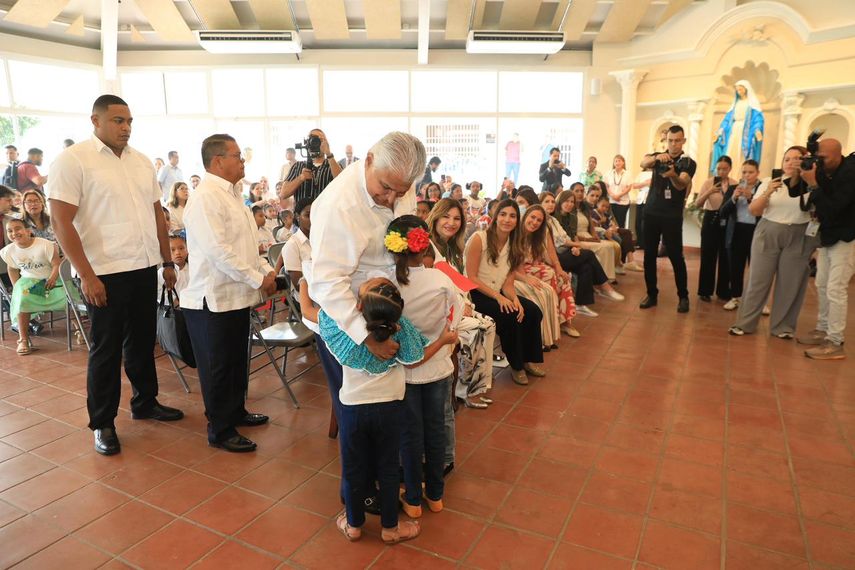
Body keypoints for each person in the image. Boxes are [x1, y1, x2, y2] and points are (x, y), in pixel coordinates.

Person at [47, 94, 184, 456]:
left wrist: (166, 262)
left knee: (141, 341)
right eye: (118, 121)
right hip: (103, 273)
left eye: (129, 121)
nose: (125, 128)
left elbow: (157, 214)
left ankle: (145, 402)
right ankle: (103, 423)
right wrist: (86, 275)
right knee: (106, 350)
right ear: (96, 120)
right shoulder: (74, 160)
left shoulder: (140, 162)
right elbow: (60, 223)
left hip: (142, 267)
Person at [310, 131, 427, 544]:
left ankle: (381, 496)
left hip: (387, 306)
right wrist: (364, 336)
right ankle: (354, 506)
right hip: (349, 319)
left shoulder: (397, 186)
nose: (392, 199)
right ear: (369, 159)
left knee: (386, 422)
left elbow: (399, 239)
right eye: (384, 188)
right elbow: (325, 283)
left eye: (402, 191)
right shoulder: (338, 205)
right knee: (354, 427)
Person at [181, 134, 276, 452]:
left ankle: (236, 411)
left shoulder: (234, 194)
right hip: (213, 298)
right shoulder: (207, 196)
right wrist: (256, 278)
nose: (243, 160)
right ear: (218, 160)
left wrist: (264, 271)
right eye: (238, 155)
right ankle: (220, 428)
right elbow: (218, 251)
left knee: (236, 359)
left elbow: (246, 245)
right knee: (218, 365)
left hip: (236, 293)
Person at [383, 216, 462, 519]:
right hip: (439, 366)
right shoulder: (441, 280)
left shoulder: (387, 283)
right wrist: (443, 340)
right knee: (436, 429)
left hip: (403, 370)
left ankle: (413, 500)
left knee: (409, 434)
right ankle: (436, 495)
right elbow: (453, 324)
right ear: (425, 244)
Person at [728, 146, 818, 338]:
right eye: (787, 159)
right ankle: (745, 323)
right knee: (758, 280)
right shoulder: (770, 181)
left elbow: (818, 210)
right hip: (768, 231)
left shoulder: (812, 184)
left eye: (796, 159)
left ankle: (782, 327)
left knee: (790, 282)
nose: (790, 162)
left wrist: (811, 180)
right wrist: (767, 192)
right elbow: (754, 211)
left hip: (799, 233)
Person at [425, 198, 497, 410]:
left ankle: (477, 387)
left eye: (457, 218)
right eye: (446, 217)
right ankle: (464, 390)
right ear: (436, 217)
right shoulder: (429, 247)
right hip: (439, 311)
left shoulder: (452, 248)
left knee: (489, 324)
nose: (451, 222)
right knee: (476, 330)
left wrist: (466, 303)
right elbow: (435, 285)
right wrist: (459, 305)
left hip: (458, 305)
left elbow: (461, 282)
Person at [464, 199, 545, 386]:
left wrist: (514, 298)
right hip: (475, 293)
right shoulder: (479, 238)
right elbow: (471, 278)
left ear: (517, 220)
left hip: (497, 291)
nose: (507, 219)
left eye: (512, 216)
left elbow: (508, 281)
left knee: (532, 311)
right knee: (509, 314)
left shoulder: (514, 244)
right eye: (503, 214)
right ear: (495, 216)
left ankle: (527, 360)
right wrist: (500, 298)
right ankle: (516, 366)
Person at [797, 138, 855, 360]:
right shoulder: (825, 172)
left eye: (823, 158)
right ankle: (822, 330)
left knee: (836, 288)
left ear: (838, 154)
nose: (819, 162)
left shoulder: (850, 173)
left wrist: (814, 184)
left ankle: (835, 342)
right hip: (828, 236)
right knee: (821, 284)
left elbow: (834, 208)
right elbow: (813, 203)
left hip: (847, 237)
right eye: (817, 158)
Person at [639, 125, 697, 313]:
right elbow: (643, 162)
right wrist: (656, 158)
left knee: (675, 256)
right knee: (649, 256)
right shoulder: (659, 157)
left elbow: (682, 185)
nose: (673, 144)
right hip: (651, 213)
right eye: (670, 140)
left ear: (683, 141)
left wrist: (672, 175)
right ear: (666, 140)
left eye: (677, 140)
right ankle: (652, 294)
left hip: (671, 216)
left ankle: (683, 296)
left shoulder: (688, 162)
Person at [543, 190, 621, 316]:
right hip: (551, 257)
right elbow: (559, 242)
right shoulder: (543, 220)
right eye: (547, 202)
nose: (551, 204)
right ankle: (604, 286)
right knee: (589, 254)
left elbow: (566, 238)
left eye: (552, 201)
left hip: (563, 252)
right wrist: (576, 245)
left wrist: (575, 247)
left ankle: (580, 304)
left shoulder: (552, 220)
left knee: (586, 267)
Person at [0, 218, 64, 355]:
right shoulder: (9, 251)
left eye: (18, 229)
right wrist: (16, 285)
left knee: (67, 297)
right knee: (22, 300)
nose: (14, 233)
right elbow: (12, 269)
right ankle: (23, 339)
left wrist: (52, 278)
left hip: (51, 278)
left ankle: (78, 329)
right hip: (28, 281)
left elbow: (56, 264)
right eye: (10, 231)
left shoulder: (45, 244)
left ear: (28, 231)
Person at [518, 204, 578, 342]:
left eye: (539, 220)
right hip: (520, 268)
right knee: (550, 275)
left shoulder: (543, 232)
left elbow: (552, 253)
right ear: (525, 216)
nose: (535, 222)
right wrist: (525, 277)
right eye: (532, 217)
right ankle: (551, 323)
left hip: (536, 265)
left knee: (562, 277)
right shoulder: (517, 232)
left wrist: (559, 268)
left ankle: (566, 322)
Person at [719, 160, 761, 311]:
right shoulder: (733, 188)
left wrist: (751, 197)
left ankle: (758, 302)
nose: (747, 175)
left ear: (757, 173)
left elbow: (767, 209)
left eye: (751, 172)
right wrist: (733, 198)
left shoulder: (763, 188)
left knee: (757, 268)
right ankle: (735, 297)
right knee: (735, 266)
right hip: (737, 231)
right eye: (744, 172)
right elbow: (723, 212)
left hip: (756, 231)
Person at [695, 156, 736, 302]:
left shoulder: (734, 184)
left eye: (724, 169)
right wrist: (709, 192)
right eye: (718, 168)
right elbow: (697, 204)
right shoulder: (708, 183)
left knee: (725, 257)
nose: (721, 171)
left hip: (727, 221)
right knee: (708, 256)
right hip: (710, 220)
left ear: (730, 169)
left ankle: (723, 290)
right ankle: (705, 291)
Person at [712, 80, 764, 170]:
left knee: (742, 154)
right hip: (734, 131)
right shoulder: (735, 105)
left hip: (746, 133)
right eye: (737, 90)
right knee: (730, 152)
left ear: (746, 89)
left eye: (740, 89)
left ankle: (741, 176)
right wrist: (720, 132)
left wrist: (757, 130)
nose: (739, 91)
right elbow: (726, 121)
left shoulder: (751, 104)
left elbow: (758, 120)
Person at [280, 129, 342, 202]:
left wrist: (329, 154)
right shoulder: (298, 166)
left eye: (319, 139)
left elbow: (342, 184)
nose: (314, 142)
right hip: (301, 212)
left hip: (325, 212)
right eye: (311, 139)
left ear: (326, 143)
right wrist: (301, 178)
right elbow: (283, 194)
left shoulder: (333, 165)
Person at [633, 168, 652, 250]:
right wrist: (645, 183)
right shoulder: (641, 174)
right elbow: (634, 185)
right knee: (638, 222)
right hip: (640, 199)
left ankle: (647, 243)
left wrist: (643, 184)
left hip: (650, 199)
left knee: (646, 223)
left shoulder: (655, 172)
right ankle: (640, 242)